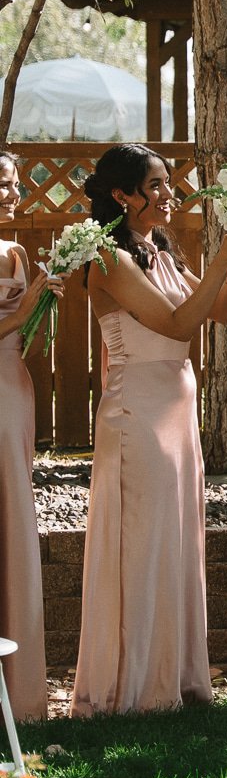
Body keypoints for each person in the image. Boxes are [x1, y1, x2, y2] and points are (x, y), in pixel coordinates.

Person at [74, 144, 227, 717]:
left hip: (177, 415)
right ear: (122, 195)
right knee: (143, 543)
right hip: (138, 413)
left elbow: (221, 311)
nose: (169, 194)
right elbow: (177, 324)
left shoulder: (160, 253)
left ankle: (175, 677)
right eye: (157, 185)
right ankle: (134, 686)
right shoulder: (109, 261)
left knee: (176, 540)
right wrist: (217, 265)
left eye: (168, 184)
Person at [0, 153, 59, 722]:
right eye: (0, 184)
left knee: (13, 519)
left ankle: (15, 693)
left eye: (13, 184)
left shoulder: (16, 253)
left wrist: (42, 304)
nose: (9, 193)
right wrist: (21, 314)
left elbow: (26, 344)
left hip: (13, 391)